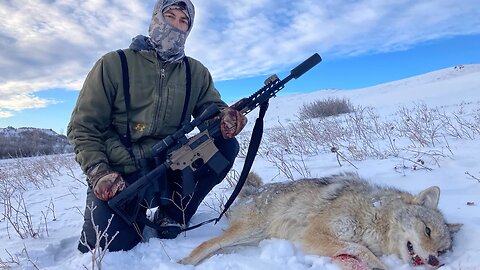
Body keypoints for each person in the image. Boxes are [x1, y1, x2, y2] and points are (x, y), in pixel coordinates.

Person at [67, 0, 247, 253]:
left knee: (225, 145)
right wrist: (99, 171)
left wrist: (227, 118)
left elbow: (212, 112)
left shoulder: (196, 72)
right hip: (121, 169)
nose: (175, 25)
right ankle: (132, 216)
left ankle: (174, 211)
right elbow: (83, 127)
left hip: (173, 165)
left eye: (183, 21)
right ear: (154, 20)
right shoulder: (113, 64)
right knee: (107, 247)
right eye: (169, 16)